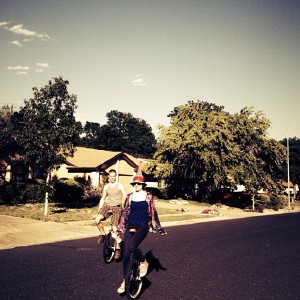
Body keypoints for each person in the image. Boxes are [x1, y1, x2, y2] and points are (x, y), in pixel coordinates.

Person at [116, 173, 167, 294]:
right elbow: (125, 213)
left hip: (143, 225)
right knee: (126, 256)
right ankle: (125, 281)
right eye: (134, 183)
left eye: (139, 183)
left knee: (133, 246)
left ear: (143, 185)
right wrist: (119, 229)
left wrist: (160, 228)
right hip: (130, 225)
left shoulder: (148, 196)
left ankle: (144, 261)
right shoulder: (129, 196)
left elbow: (153, 213)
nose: (136, 185)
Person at [95, 169, 126, 259]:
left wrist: (125, 204)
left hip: (117, 207)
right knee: (97, 220)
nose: (112, 178)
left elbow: (125, 195)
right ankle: (103, 234)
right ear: (108, 176)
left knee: (115, 229)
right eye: (111, 176)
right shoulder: (106, 186)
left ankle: (117, 249)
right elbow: (103, 198)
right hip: (107, 206)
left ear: (115, 176)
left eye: (113, 176)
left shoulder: (119, 185)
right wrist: (99, 209)